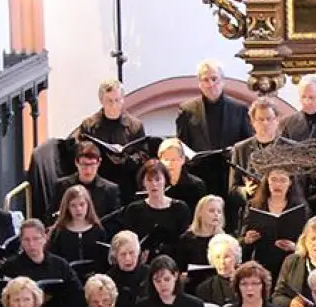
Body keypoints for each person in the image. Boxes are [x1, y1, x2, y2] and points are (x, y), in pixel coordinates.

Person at [175, 60, 251, 196]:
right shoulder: (187, 110)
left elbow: (248, 143)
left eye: (214, 79)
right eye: (205, 80)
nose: (211, 84)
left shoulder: (239, 109)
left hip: (230, 174)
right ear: (200, 84)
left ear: (222, 81)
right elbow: (181, 144)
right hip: (199, 175)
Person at [0, 218, 83, 307]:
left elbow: (77, 295)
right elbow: (0, 301)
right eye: (26, 240)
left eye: (36, 239)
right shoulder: (10, 267)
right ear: (21, 242)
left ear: (44, 238)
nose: (32, 244)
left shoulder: (60, 265)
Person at [70, 78, 148, 195]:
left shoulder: (135, 125)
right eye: (109, 101)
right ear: (101, 101)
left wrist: (128, 159)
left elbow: (143, 154)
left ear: (123, 100)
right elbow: (81, 152)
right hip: (99, 183)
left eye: (117, 100)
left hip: (126, 182)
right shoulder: (89, 125)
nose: (113, 105)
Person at [227, 98, 293, 226]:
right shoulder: (240, 149)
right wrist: (245, 190)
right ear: (252, 122)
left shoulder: (290, 148)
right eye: (260, 119)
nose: (265, 123)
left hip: (285, 212)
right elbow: (232, 190)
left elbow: (299, 187)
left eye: (269, 119)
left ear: (277, 120)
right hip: (253, 215)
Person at [240, 165, 308, 277]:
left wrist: (295, 247)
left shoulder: (300, 207)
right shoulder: (254, 205)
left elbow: (307, 241)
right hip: (261, 263)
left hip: (290, 264)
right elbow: (241, 239)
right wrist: (247, 240)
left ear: (290, 183)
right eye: (273, 179)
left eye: (283, 180)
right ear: (267, 181)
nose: (277, 184)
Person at [123, 158, 194, 261]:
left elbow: (185, 244)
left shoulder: (180, 208)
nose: (154, 184)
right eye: (149, 180)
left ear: (165, 181)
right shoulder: (134, 210)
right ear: (143, 183)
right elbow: (128, 242)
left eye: (158, 179)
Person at [49, 184, 113, 278]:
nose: (78, 209)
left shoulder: (98, 230)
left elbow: (103, 260)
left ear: (88, 205)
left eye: (82, 204)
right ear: (67, 207)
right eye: (73, 205)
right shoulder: (59, 232)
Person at [52, 141, 124, 224]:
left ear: (99, 163)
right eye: (84, 164)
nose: (88, 170)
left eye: (92, 164)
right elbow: (51, 216)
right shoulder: (62, 186)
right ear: (76, 162)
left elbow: (114, 222)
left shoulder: (111, 189)